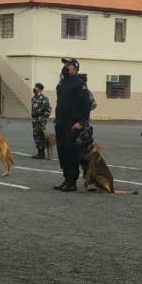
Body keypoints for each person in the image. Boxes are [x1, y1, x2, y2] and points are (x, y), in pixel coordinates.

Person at [54, 57, 89, 192]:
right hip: (61, 121)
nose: (65, 67)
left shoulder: (79, 83)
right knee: (62, 151)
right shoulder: (63, 82)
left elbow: (85, 104)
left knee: (71, 152)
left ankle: (72, 181)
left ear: (75, 68)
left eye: (68, 65)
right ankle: (66, 178)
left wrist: (81, 122)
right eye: (65, 65)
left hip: (72, 123)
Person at [30, 82, 51, 159]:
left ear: (40, 89)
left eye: (36, 87)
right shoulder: (34, 98)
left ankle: (42, 153)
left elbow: (48, 110)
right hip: (35, 120)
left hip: (40, 120)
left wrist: (43, 120)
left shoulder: (44, 98)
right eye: (35, 87)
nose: (35, 88)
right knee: (36, 135)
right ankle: (39, 152)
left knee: (41, 135)